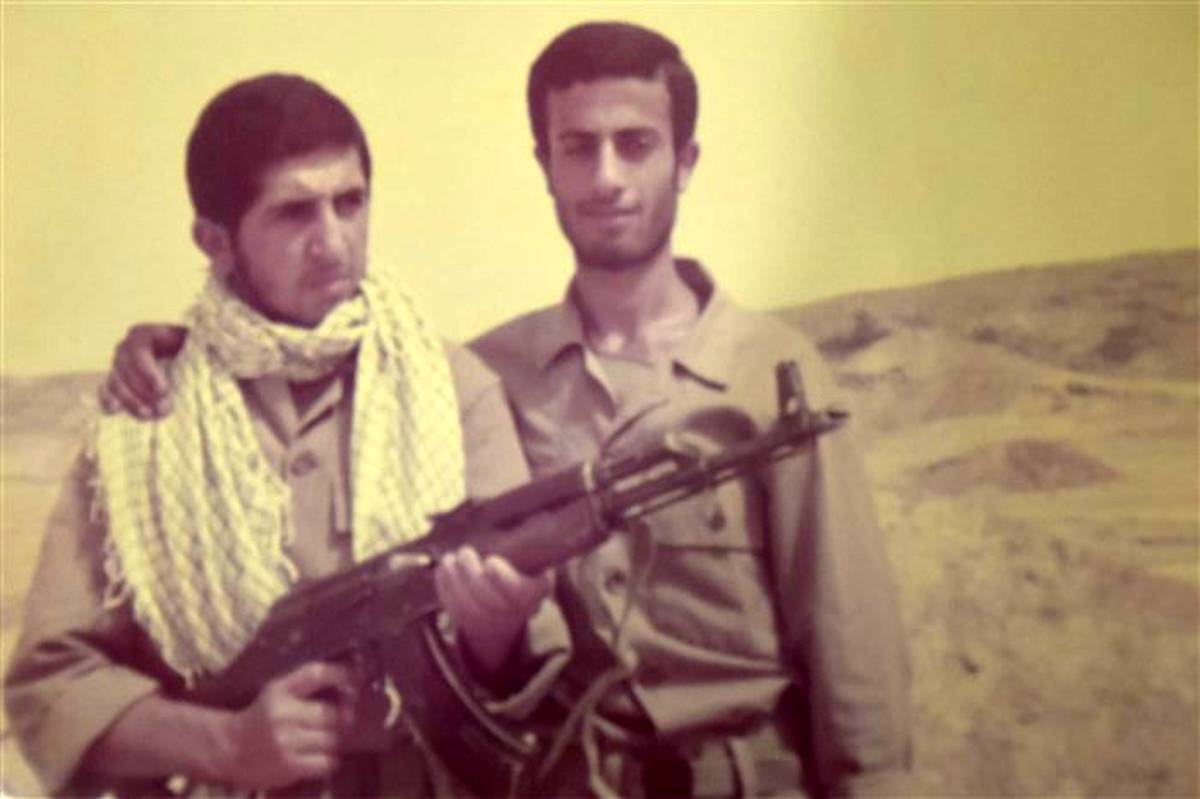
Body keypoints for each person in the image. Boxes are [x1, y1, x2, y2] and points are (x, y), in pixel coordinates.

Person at [96, 21, 913, 797]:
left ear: (686, 161)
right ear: (544, 165)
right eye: (578, 148)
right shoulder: (469, 379)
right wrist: (184, 352)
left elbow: (857, 665)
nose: (607, 178)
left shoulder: (771, 375)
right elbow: (302, 352)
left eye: (636, 144)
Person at [4, 73, 565, 797]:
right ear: (215, 240)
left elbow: (519, 658)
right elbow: (51, 684)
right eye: (294, 213)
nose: (332, 242)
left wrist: (497, 628)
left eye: (350, 202)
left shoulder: (453, 389)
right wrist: (225, 744)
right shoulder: (144, 420)